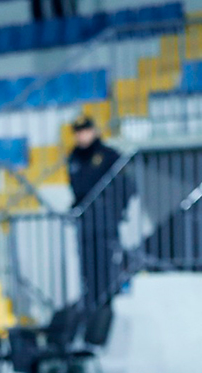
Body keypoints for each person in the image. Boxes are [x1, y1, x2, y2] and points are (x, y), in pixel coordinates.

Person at [68, 115, 128, 310]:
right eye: (78, 132)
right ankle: (92, 307)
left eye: (85, 131)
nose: (82, 136)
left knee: (106, 265)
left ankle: (107, 307)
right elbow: (78, 190)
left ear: (93, 131)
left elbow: (126, 186)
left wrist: (116, 211)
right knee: (87, 267)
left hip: (105, 222)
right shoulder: (74, 157)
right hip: (85, 223)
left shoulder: (109, 155)